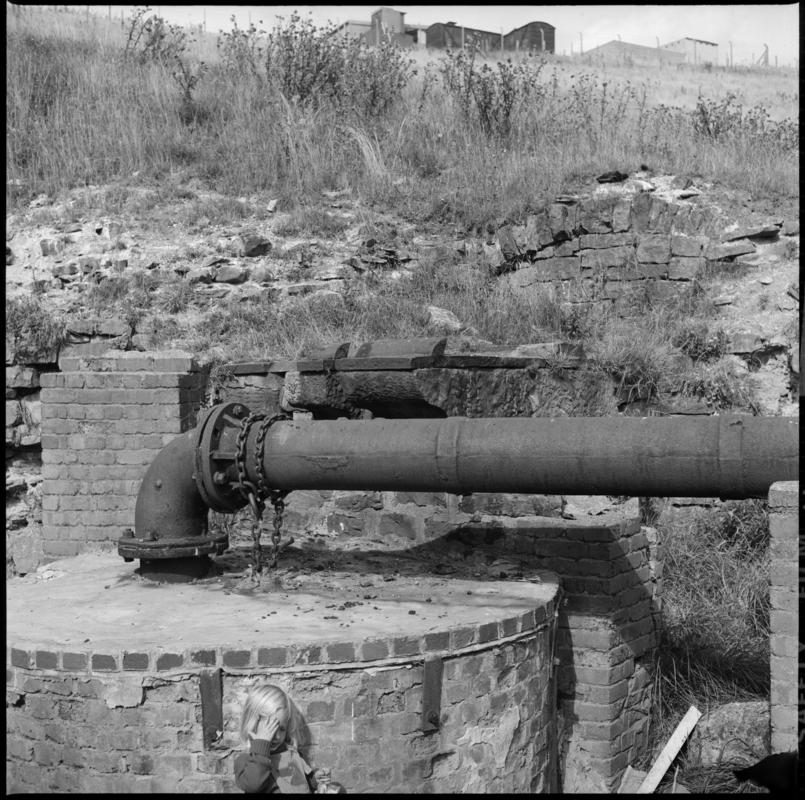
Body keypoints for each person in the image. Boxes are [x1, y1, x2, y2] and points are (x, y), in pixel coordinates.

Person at [234, 684, 343, 794]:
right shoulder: (246, 761)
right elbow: (254, 785)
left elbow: (301, 782)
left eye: (281, 729)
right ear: (252, 724)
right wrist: (262, 746)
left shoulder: (291, 753)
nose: (277, 736)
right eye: (271, 729)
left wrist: (315, 780)